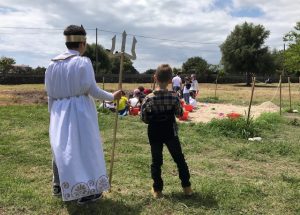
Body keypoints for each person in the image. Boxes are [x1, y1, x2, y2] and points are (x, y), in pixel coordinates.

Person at [45, 25, 122, 204]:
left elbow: (50, 93)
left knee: (61, 147)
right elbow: (92, 90)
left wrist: (52, 116)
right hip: (79, 111)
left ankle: (59, 184)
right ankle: (87, 191)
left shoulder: (52, 65)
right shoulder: (82, 62)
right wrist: (113, 96)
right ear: (83, 44)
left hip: (58, 110)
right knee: (82, 148)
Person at [140, 64, 192, 198]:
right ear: (170, 80)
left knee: (156, 161)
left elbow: (144, 118)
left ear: (155, 78)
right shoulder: (174, 97)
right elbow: (180, 113)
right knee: (179, 159)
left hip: (154, 133)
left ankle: (157, 190)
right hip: (170, 132)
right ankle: (187, 187)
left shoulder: (148, 98)